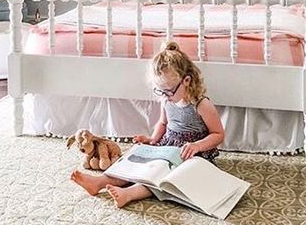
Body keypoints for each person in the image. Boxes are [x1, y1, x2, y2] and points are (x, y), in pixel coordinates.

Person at [71, 41, 225, 208]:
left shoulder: (201, 105)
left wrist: (197, 145)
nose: (165, 96)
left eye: (168, 91)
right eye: (160, 91)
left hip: (191, 153)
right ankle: (99, 182)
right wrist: (152, 139)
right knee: (139, 164)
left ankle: (129, 194)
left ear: (186, 80)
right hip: (166, 146)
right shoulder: (167, 100)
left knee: (161, 174)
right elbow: (163, 123)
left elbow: (218, 134)